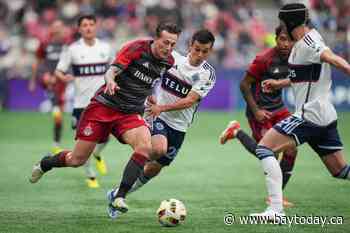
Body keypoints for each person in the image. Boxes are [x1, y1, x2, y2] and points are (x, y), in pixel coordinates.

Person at [29, 21, 181, 216]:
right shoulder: (135, 48)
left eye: (173, 45)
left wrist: (151, 94)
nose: (168, 48)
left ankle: (119, 197)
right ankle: (45, 164)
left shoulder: (168, 62)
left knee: (144, 147)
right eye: (165, 43)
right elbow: (112, 70)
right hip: (103, 107)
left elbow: (153, 80)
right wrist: (110, 80)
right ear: (156, 38)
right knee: (76, 160)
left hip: (130, 113)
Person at [225, 3, 350, 220]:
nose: (280, 25)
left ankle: (275, 210)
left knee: (264, 148)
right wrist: (278, 84)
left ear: (289, 22)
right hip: (325, 114)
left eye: (283, 22)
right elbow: (303, 76)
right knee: (339, 170)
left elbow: (331, 58)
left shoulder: (310, 43)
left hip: (309, 114)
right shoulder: (304, 41)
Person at [107, 29, 216, 208]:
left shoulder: (207, 74)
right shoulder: (172, 59)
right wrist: (151, 96)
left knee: (154, 168)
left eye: (205, 51)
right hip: (157, 115)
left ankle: (116, 193)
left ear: (210, 51)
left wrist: (162, 107)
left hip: (179, 126)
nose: (199, 54)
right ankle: (133, 154)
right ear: (190, 45)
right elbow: (151, 66)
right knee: (158, 148)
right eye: (197, 49)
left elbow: (190, 100)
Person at [220, 26, 296, 207]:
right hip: (259, 112)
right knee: (269, 152)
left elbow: (296, 79)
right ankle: (237, 132)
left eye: (289, 40)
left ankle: (276, 197)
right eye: (281, 39)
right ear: (276, 39)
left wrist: (279, 84)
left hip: (279, 109)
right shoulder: (264, 60)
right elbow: (244, 85)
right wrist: (256, 111)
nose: (285, 44)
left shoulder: (295, 58)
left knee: (292, 148)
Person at [54, 14, 112, 188]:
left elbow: (115, 69)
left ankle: (97, 154)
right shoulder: (72, 49)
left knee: (105, 139)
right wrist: (64, 79)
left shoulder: (106, 47)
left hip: (104, 102)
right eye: (84, 25)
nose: (88, 28)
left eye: (91, 24)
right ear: (79, 29)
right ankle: (90, 175)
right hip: (82, 105)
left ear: (96, 27)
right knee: (84, 143)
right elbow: (59, 70)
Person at [28, 20, 69, 154]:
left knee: (74, 116)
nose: (57, 29)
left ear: (63, 29)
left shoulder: (68, 44)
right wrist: (34, 79)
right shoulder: (45, 43)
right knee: (57, 114)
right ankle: (56, 144)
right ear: (51, 28)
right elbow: (38, 62)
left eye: (59, 27)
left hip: (66, 83)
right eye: (55, 27)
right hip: (51, 83)